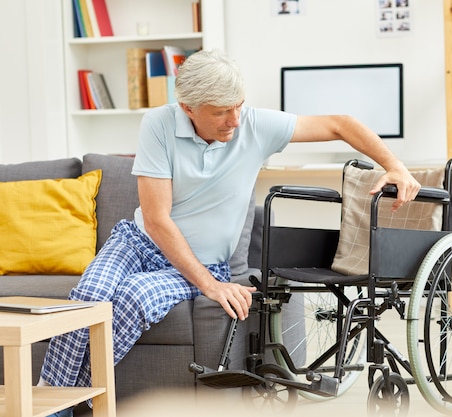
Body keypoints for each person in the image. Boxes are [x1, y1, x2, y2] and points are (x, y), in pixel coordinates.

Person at [41, 49, 421, 417]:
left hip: (198, 261)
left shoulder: (254, 125)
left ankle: (72, 402)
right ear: (187, 109)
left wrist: (394, 166)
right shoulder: (159, 124)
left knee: (133, 297)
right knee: (87, 297)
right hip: (138, 242)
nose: (235, 120)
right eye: (221, 112)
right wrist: (210, 287)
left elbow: (340, 124)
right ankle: (47, 407)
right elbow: (156, 220)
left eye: (238, 105)